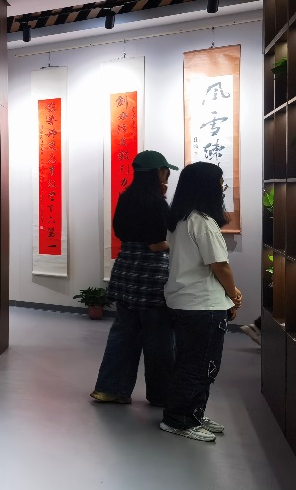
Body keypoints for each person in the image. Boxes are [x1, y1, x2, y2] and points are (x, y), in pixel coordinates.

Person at [159, 162, 240, 442]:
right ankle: (179, 420)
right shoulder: (203, 222)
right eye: (220, 183)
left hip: (184, 302)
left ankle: (192, 413)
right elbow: (220, 265)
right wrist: (234, 294)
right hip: (202, 305)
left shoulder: (181, 219)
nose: (222, 188)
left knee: (191, 362)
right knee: (200, 365)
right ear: (207, 187)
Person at [90, 151, 177, 406]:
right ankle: (162, 395)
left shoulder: (125, 198)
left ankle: (110, 389)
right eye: (166, 171)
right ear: (157, 172)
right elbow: (156, 243)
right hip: (152, 277)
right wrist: (175, 245)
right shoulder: (157, 203)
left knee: (123, 333)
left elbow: (121, 232)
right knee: (159, 338)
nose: (168, 175)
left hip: (126, 271)